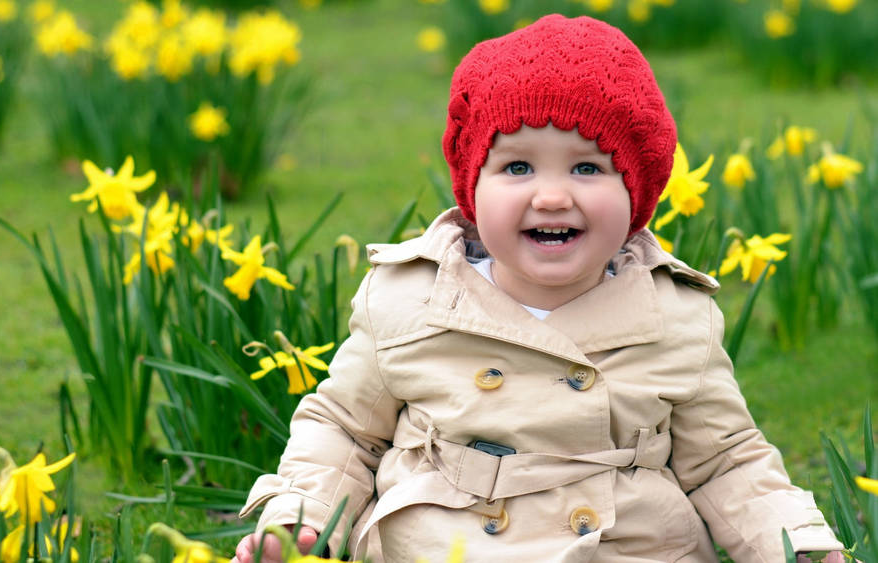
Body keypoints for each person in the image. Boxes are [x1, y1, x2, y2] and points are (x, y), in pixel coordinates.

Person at [233, 14, 845, 563]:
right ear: (473, 191)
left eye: (587, 167)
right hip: (447, 545)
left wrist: (795, 546)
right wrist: (303, 516)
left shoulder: (675, 315)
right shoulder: (410, 299)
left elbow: (727, 463)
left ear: (637, 195)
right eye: (518, 167)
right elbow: (344, 428)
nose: (552, 196)